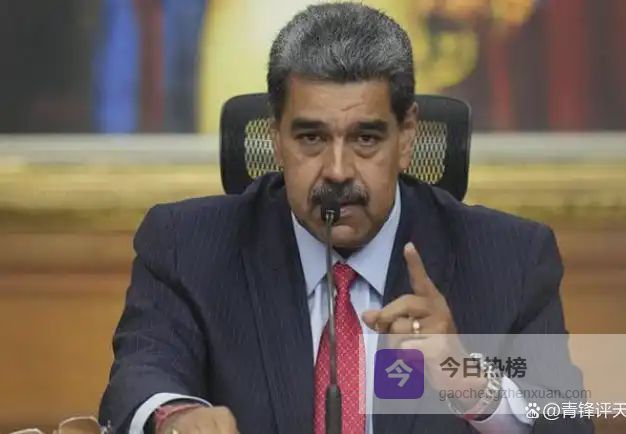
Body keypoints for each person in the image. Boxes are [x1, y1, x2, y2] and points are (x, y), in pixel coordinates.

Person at [99, 3, 593, 434]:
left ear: (407, 136)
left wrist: (468, 382)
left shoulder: (510, 259)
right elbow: (141, 374)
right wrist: (176, 416)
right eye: (311, 138)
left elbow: (569, 419)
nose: (337, 171)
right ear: (275, 138)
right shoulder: (187, 247)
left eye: (366, 139)